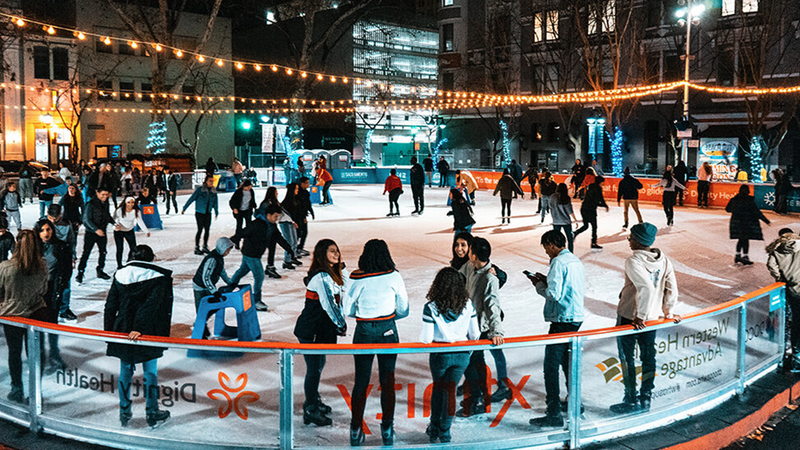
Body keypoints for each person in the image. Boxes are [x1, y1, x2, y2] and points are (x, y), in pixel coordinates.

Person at [610, 223, 681, 414]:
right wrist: (668, 312)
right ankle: (646, 396)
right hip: (653, 317)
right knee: (648, 357)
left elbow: (647, 288)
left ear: (638, 240)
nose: (629, 240)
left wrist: (639, 315)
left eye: (631, 237)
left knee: (627, 358)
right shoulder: (663, 259)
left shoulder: (633, 261)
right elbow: (671, 287)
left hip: (630, 317)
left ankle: (631, 399)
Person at [344, 239, 408, 446]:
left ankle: (355, 429)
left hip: (363, 331)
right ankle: (387, 428)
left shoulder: (357, 277)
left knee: (361, 381)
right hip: (388, 330)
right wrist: (387, 318)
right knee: (388, 380)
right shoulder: (393, 276)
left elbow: (347, 309)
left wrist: (364, 316)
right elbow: (404, 308)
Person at [103, 244, 173, 428]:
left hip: (123, 330)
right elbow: (152, 305)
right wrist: (140, 328)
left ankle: (124, 412)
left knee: (125, 371)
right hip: (146, 331)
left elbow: (111, 305)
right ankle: (152, 412)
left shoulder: (120, 275)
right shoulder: (158, 279)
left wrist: (108, 331)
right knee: (150, 373)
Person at [526, 229, 585, 427]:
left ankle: (553, 413)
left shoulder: (558, 262)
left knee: (551, 366)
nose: (546, 252)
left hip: (562, 319)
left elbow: (554, 294)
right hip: (575, 317)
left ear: (552, 243)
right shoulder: (575, 261)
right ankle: (576, 403)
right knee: (568, 363)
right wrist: (547, 278)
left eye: (546, 247)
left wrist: (538, 284)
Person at [421, 267, 480, 444]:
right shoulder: (468, 304)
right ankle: (445, 432)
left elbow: (426, 338)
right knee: (451, 390)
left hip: (440, 354)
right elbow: (475, 334)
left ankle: (434, 428)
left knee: (439, 389)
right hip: (462, 355)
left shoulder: (431, 307)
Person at [294, 239, 348, 427]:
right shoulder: (322, 277)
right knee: (314, 368)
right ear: (322, 254)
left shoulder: (332, 274)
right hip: (311, 330)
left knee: (319, 365)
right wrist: (340, 323)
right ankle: (310, 408)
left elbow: (343, 295)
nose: (336, 254)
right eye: (332, 251)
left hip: (321, 329)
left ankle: (313, 401)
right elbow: (329, 305)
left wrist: (344, 271)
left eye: (337, 250)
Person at [0, 229, 49, 404]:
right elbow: (44, 290)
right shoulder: (42, 265)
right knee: (35, 355)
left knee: (14, 352)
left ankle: (16, 389)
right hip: (36, 314)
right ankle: (35, 390)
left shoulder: (5, 267)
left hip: (12, 315)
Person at [458, 237, 504, 417]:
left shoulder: (489, 278)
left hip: (480, 328)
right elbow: (458, 276)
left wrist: (496, 332)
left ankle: (479, 400)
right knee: (472, 364)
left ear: (474, 255)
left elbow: (493, 306)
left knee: (475, 364)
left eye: (469, 250)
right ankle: (477, 396)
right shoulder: (470, 267)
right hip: (467, 323)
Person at [230, 203, 294, 309]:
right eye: (275, 216)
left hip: (255, 254)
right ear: (268, 215)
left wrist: (289, 249)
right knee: (259, 275)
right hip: (251, 253)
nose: (276, 219)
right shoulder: (257, 224)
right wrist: (231, 241)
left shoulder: (272, 226)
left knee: (242, 271)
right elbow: (243, 232)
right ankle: (256, 301)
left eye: (278, 217)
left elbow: (279, 238)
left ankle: (228, 288)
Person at [34, 219, 70, 374]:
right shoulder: (33, 247)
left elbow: (66, 269)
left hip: (53, 290)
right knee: (37, 325)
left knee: (52, 325)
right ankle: (39, 357)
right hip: (35, 292)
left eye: (48, 229)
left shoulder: (61, 246)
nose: (46, 233)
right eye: (42, 230)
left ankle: (55, 355)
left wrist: (60, 287)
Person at [765, 228, 800, 373]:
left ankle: (796, 357)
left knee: (796, 321)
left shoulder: (776, 249)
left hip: (793, 289)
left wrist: (780, 278)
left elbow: (771, 265)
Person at [192, 237, 234, 339]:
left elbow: (222, 272)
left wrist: (230, 282)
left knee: (213, 305)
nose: (228, 252)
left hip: (208, 286)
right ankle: (200, 332)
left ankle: (202, 327)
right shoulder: (212, 259)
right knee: (202, 309)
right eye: (227, 250)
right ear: (222, 248)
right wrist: (214, 291)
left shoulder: (219, 258)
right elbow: (205, 277)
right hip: (200, 287)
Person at [46, 204, 78, 322]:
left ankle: (64, 309)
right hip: (47, 258)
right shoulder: (42, 224)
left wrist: (73, 257)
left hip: (63, 257)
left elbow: (71, 240)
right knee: (48, 285)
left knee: (65, 284)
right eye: (51, 218)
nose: (53, 221)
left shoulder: (66, 224)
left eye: (56, 218)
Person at [725, 184, 771, 265]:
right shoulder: (749, 200)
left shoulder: (734, 199)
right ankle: (745, 256)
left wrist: (736, 210)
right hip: (746, 223)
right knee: (745, 240)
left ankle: (738, 255)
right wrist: (766, 220)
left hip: (736, 223)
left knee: (741, 239)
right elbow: (756, 212)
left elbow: (727, 209)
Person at [77, 188, 115, 283]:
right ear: (97, 193)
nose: (104, 197)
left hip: (102, 232)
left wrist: (113, 223)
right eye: (102, 194)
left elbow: (107, 215)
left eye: (106, 195)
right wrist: (96, 229)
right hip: (91, 233)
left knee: (103, 252)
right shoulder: (91, 204)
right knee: (86, 252)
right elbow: (86, 220)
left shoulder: (106, 203)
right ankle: (80, 272)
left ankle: (100, 270)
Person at [182, 175, 219, 255]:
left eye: (212, 181)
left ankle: (205, 246)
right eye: (210, 181)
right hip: (200, 213)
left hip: (208, 213)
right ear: (206, 181)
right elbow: (191, 199)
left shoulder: (213, 191)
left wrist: (216, 211)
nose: (211, 183)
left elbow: (215, 202)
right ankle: (197, 247)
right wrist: (184, 208)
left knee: (207, 230)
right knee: (200, 230)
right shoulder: (200, 190)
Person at [113, 196, 150, 269]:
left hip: (129, 231)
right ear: (125, 203)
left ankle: (131, 261)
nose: (130, 204)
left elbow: (140, 221)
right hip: (119, 232)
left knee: (133, 248)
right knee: (120, 248)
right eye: (128, 202)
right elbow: (114, 220)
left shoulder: (136, 211)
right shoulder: (119, 210)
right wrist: (115, 227)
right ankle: (119, 265)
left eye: (132, 202)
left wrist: (146, 231)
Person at [574, 175, 609, 249]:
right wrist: (605, 205)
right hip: (590, 210)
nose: (603, 184)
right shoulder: (598, 188)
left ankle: (575, 233)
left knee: (585, 225)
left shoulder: (590, 186)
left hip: (584, 208)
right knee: (594, 227)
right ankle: (593, 243)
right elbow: (600, 199)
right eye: (602, 183)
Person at [550, 183, 577, 253]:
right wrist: (575, 220)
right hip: (566, 221)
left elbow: (551, 207)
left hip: (556, 221)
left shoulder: (552, 197)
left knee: (556, 239)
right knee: (570, 239)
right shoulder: (566, 198)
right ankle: (570, 254)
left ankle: (555, 255)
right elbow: (570, 211)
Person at [229, 179, 256, 245]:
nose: (249, 188)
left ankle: (248, 241)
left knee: (249, 227)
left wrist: (254, 206)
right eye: (248, 187)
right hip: (239, 211)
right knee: (239, 227)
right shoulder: (239, 192)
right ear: (244, 186)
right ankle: (237, 242)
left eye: (250, 187)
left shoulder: (251, 191)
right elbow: (232, 201)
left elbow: (252, 200)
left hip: (247, 211)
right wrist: (234, 208)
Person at [295, 177, 315, 257]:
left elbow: (308, 203)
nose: (308, 184)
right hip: (298, 216)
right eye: (306, 183)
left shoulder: (306, 193)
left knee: (304, 232)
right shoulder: (298, 193)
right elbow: (299, 206)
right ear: (302, 183)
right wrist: (303, 217)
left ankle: (300, 247)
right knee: (298, 233)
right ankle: (295, 248)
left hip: (303, 215)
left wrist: (311, 211)